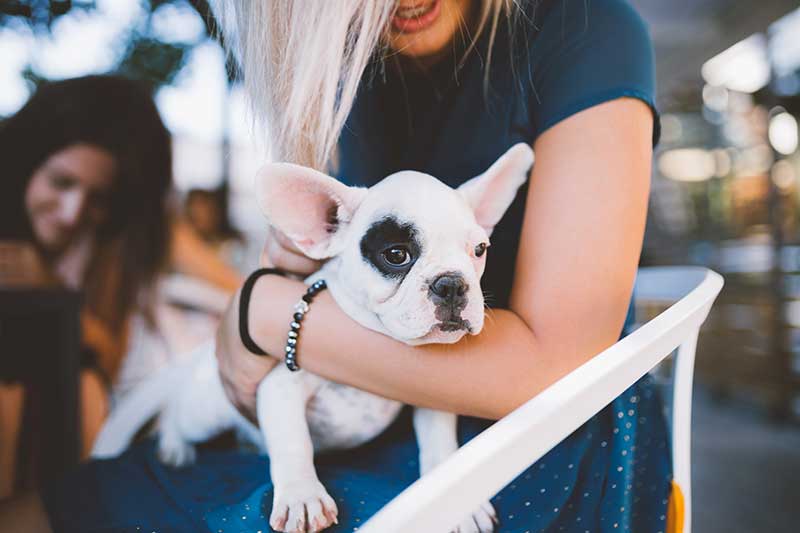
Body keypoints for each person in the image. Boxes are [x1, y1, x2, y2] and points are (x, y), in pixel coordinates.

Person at [2, 1, 673, 532]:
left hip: (533, 452)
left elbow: (559, 364)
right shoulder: (346, 71)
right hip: (376, 436)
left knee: (76, 504)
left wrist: (267, 313)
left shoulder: (587, 31)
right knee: (67, 496)